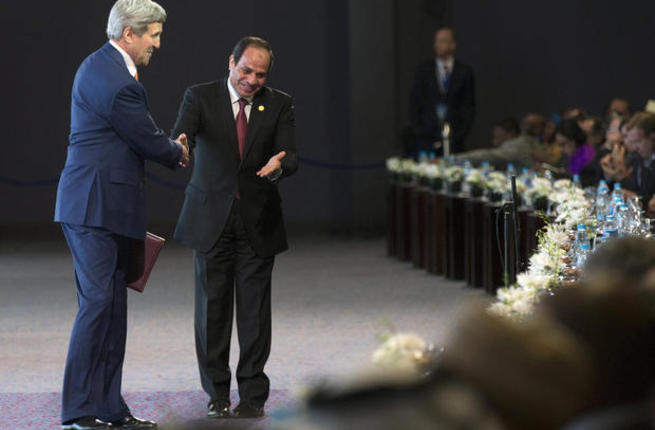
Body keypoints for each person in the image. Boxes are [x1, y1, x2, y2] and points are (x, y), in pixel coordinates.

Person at [53, 0, 189, 429]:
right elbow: (147, 138)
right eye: (153, 35)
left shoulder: (102, 67)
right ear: (129, 33)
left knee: (110, 308)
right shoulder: (116, 81)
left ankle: (110, 408)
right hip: (95, 209)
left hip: (105, 208)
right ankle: (78, 410)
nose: (157, 44)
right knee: (97, 306)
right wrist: (176, 151)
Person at [172, 36, 298, 419]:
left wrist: (281, 165)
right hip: (211, 220)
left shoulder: (279, 103)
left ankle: (253, 395)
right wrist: (180, 145)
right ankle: (217, 395)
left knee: (255, 313)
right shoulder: (200, 96)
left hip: (257, 221)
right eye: (246, 70)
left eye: (260, 74)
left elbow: (290, 155)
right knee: (212, 311)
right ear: (230, 63)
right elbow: (182, 135)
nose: (251, 80)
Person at [409, 27, 475, 156]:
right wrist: (419, 129)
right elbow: (415, 102)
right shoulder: (423, 71)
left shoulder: (464, 71)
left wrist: (461, 132)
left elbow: (468, 106)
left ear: (452, 45)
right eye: (437, 41)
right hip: (427, 136)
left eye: (443, 41)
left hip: (455, 138)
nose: (438, 45)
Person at [455, 117, 536, 170]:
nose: (495, 140)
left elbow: (487, 156)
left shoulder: (516, 147)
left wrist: (453, 159)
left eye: (498, 136)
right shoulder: (521, 142)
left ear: (510, 133)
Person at [553, 118, 597, 186]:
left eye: (563, 144)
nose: (561, 149)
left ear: (573, 140)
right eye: (559, 145)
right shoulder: (567, 156)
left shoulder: (588, 155)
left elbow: (584, 182)